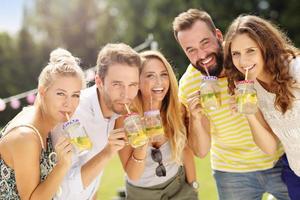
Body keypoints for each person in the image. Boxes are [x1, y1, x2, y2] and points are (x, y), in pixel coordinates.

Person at [172, 9, 290, 200]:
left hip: (279, 161)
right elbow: (201, 151)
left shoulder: (247, 62)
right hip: (231, 173)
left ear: (218, 36)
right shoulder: (188, 86)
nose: (202, 55)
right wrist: (195, 118)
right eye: (191, 50)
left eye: (205, 43)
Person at [223, 15, 300, 200]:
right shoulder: (250, 88)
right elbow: (269, 147)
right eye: (236, 54)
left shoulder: (295, 69)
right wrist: (248, 113)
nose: (243, 61)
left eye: (250, 50)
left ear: (266, 47)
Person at [51, 43, 142, 200]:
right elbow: (62, 190)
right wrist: (108, 152)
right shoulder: (73, 116)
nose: (126, 94)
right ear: (99, 82)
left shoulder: (117, 111)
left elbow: (92, 177)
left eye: (132, 85)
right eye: (117, 84)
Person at [0, 48, 85, 199]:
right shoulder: (25, 136)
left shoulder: (44, 119)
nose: (69, 103)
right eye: (60, 93)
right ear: (43, 91)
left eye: (75, 95)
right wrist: (62, 165)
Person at [115, 50, 198, 200]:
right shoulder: (125, 120)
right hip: (142, 193)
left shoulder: (177, 109)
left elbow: (185, 150)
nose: (159, 82)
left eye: (163, 74)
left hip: (178, 186)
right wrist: (141, 145)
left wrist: (192, 186)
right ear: (137, 82)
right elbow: (133, 175)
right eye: (150, 76)